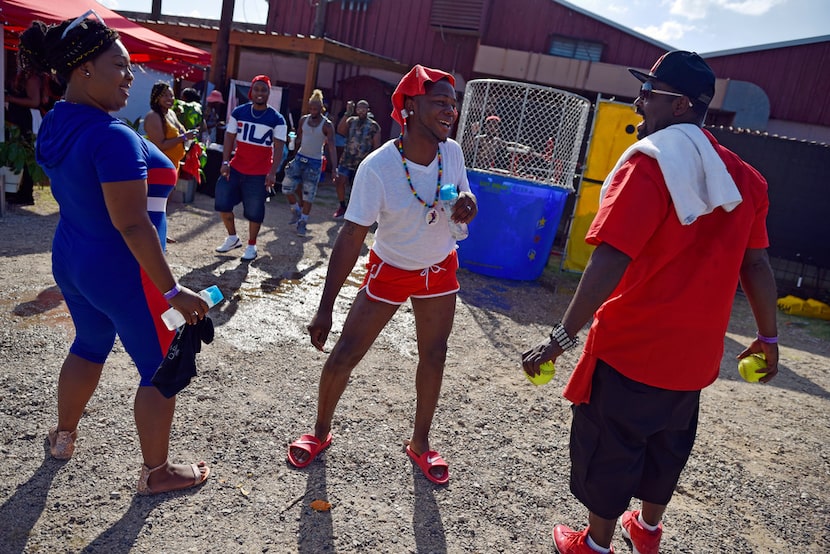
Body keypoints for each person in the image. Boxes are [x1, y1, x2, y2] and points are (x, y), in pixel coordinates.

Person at [521, 51, 779, 554]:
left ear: (680, 104)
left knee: (610, 451)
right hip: (695, 358)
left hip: (632, 349)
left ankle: (594, 545)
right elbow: (757, 266)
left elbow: (609, 260)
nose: (639, 101)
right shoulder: (746, 180)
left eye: (650, 93)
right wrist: (768, 338)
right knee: (668, 446)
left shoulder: (650, 164)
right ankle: (647, 530)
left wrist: (559, 339)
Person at [20, 13, 211, 495]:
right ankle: (156, 473)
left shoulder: (58, 120)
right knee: (159, 369)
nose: (131, 77)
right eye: (120, 66)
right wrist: (173, 291)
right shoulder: (113, 136)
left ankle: (63, 437)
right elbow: (131, 223)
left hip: (73, 256)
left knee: (89, 343)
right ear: (83, 69)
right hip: (122, 269)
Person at [287, 65, 478, 485]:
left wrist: (468, 202)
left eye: (453, 104)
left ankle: (421, 444)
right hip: (390, 268)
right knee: (345, 353)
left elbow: (462, 196)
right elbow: (351, 237)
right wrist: (325, 309)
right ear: (410, 107)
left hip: (439, 267)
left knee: (435, 355)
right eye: (440, 103)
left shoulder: (454, 153)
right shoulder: (378, 167)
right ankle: (320, 432)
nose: (450, 111)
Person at [214, 75, 287, 261]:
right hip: (236, 167)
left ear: (269, 93)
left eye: (264, 90)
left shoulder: (277, 119)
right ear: (251, 91)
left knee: (255, 211)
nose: (260, 93)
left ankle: (251, 246)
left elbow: (279, 148)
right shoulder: (239, 112)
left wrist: (272, 172)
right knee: (222, 199)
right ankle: (232, 237)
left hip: (259, 173)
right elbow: (229, 138)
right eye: (257, 89)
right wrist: (225, 162)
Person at [282, 89, 338, 237]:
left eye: (315, 108)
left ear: (321, 108)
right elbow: (299, 139)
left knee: (309, 194)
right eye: (311, 108)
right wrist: (292, 139)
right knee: (287, 187)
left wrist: (334, 168)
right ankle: (296, 211)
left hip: (314, 162)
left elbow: (331, 147)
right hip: (300, 157)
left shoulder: (327, 125)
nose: (313, 111)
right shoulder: (303, 120)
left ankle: (303, 222)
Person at [332, 99, 380, 219]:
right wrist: (348, 112)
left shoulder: (374, 126)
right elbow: (340, 130)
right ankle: (342, 206)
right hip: (347, 158)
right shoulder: (351, 121)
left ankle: (354, 209)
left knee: (357, 187)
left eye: (364, 108)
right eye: (359, 108)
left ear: (368, 110)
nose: (361, 111)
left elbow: (377, 146)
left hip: (362, 162)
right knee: (340, 181)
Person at [4, 64, 44, 205]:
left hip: (26, 119)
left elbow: (35, 101)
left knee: (26, 154)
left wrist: (10, 99)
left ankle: (26, 193)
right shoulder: (22, 75)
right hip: (17, 118)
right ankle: (16, 190)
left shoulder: (32, 77)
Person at [143, 82, 198, 170]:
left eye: (171, 95)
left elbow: (180, 134)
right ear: (157, 97)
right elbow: (159, 145)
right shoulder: (153, 116)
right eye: (165, 95)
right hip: (159, 167)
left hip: (174, 165)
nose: (170, 98)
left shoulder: (171, 113)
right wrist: (184, 137)